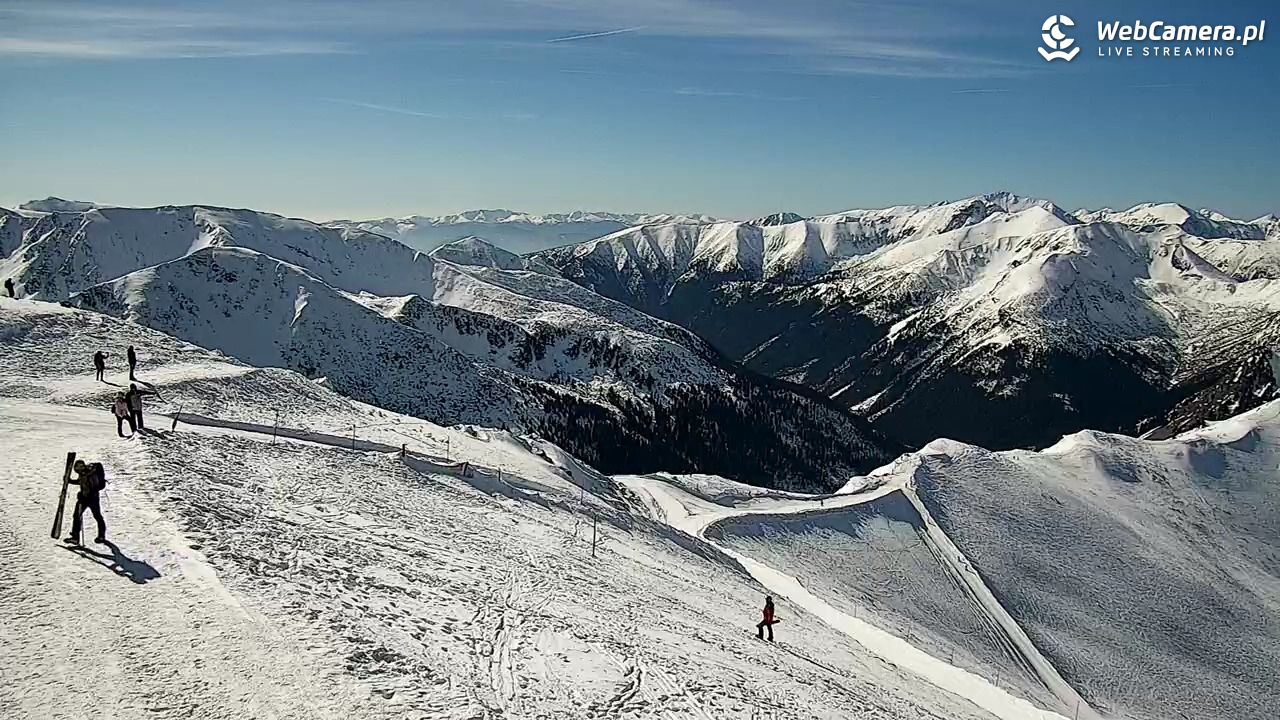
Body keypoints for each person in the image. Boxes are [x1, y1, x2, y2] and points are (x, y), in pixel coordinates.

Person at [65, 459, 107, 545]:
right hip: (85, 498)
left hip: (92, 498)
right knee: (77, 515)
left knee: (96, 516)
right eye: (77, 468)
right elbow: (81, 482)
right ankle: (75, 537)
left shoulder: (91, 473)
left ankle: (101, 536)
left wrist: (83, 495)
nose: (78, 469)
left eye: (80, 467)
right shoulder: (83, 474)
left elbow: (92, 486)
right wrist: (70, 481)